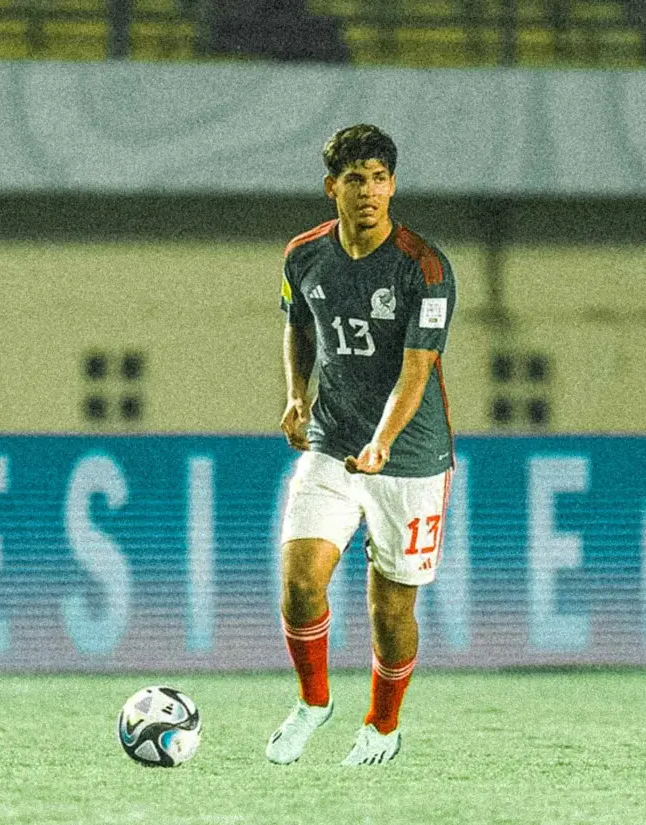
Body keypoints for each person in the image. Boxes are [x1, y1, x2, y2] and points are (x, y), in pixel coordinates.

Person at [266, 123, 457, 767]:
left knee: (391, 607)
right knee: (299, 582)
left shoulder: (424, 267)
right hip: (333, 440)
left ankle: (381, 724)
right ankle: (313, 702)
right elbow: (299, 327)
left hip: (410, 457)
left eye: (379, 179)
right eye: (355, 180)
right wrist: (298, 395)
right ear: (332, 189)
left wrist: (382, 442)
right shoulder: (302, 256)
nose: (369, 192)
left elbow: (417, 368)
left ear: (393, 185)